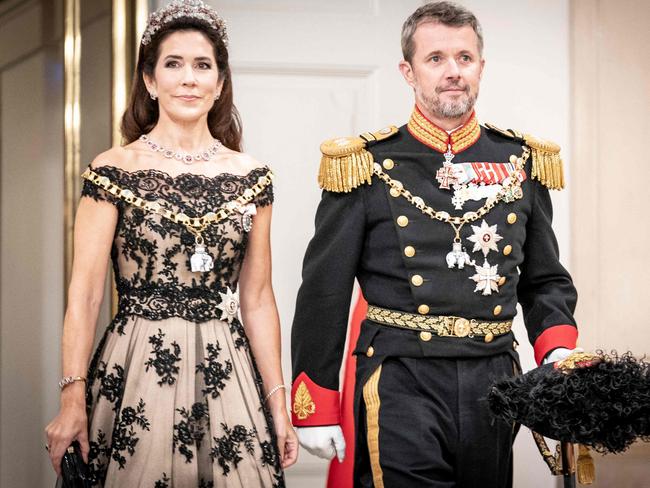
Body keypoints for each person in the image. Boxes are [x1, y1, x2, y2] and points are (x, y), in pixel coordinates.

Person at [290, 2, 579, 487]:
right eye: (436, 58)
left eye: (464, 58)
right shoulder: (365, 163)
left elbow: (544, 278)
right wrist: (314, 402)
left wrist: (556, 347)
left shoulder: (519, 160)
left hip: (496, 375)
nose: (453, 73)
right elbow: (324, 291)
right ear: (408, 71)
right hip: (401, 374)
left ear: (481, 67)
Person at [44, 1, 297, 486]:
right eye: (173, 64)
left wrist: (278, 404)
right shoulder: (114, 169)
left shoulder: (252, 177)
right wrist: (72, 399)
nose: (188, 79)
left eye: (203, 66)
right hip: (136, 363)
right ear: (150, 80)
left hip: (229, 371)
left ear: (220, 83)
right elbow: (86, 295)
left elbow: (259, 299)